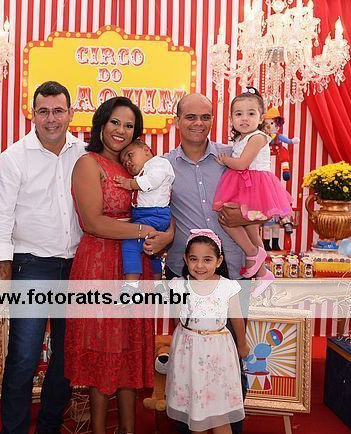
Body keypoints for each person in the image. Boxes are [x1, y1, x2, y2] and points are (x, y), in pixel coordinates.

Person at [143, 93, 249, 434]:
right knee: (191, 353)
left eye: (205, 117)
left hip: (232, 266)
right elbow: (159, 211)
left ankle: (231, 425)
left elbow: (260, 200)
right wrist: (163, 237)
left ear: (213, 120)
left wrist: (246, 216)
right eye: (190, 117)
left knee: (232, 355)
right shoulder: (162, 166)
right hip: (186, 270)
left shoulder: (231, 158)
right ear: (177, 121)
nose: (198, 123)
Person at [0, 81, 87, 434]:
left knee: (66, 356)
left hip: (76, 267)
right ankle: (13, 429)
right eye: (43, 111)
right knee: (24, 355)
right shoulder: (14, 157)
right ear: (33, 114)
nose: (51, 119)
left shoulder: (84, 154)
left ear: (71, 113)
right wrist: (3, 273)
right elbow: (0, 217)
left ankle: (48, 425)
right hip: (31, 266)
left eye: (58, 111)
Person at [65, 96, 168, 434]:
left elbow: (164, 207)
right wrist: (142, 231)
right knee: (103, 349)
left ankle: (128, 428)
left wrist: (164, 235)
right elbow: (93, 222)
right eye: (115, 122)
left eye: (129, 125)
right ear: (101, 124)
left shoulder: (137, 168)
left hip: (135, 264)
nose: (120, 130)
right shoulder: (88, 163)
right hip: (99, 263)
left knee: (129, 349)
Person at [166, 230, 249, 434]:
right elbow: (178, 319)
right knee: (196, 412)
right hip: (189, 355)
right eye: (194, 259)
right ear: (185, 259)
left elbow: (237, 318)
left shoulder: (227, 287)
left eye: (207, 260)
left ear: (219, 260)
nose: (200, 266)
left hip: (218, 356)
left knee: (219, 412)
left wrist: (242, 344)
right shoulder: (179, 285)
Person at [213, 88, 292, 296]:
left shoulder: (258, 137)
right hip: (243, 185)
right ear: (231, 119)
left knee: (227, 218)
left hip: (255, 186)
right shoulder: (241, 139)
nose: (244, 118)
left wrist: (225, 160)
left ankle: (252, 253)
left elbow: (242, 164)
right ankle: (263, 272)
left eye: (251, 113)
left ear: (261, 117)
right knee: (249, 226)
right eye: (238, 114)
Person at [114, 139, 175, 298]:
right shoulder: (143, 171)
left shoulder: (159, 164)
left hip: (155, 214)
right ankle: (158, 285)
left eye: (130, 155)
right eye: (124, 162)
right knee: (151, 250)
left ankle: (131, 286)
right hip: (145, 214)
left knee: (130, 244)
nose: (127, 162)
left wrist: (129, 183)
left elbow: (151, 182)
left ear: (146, 150)